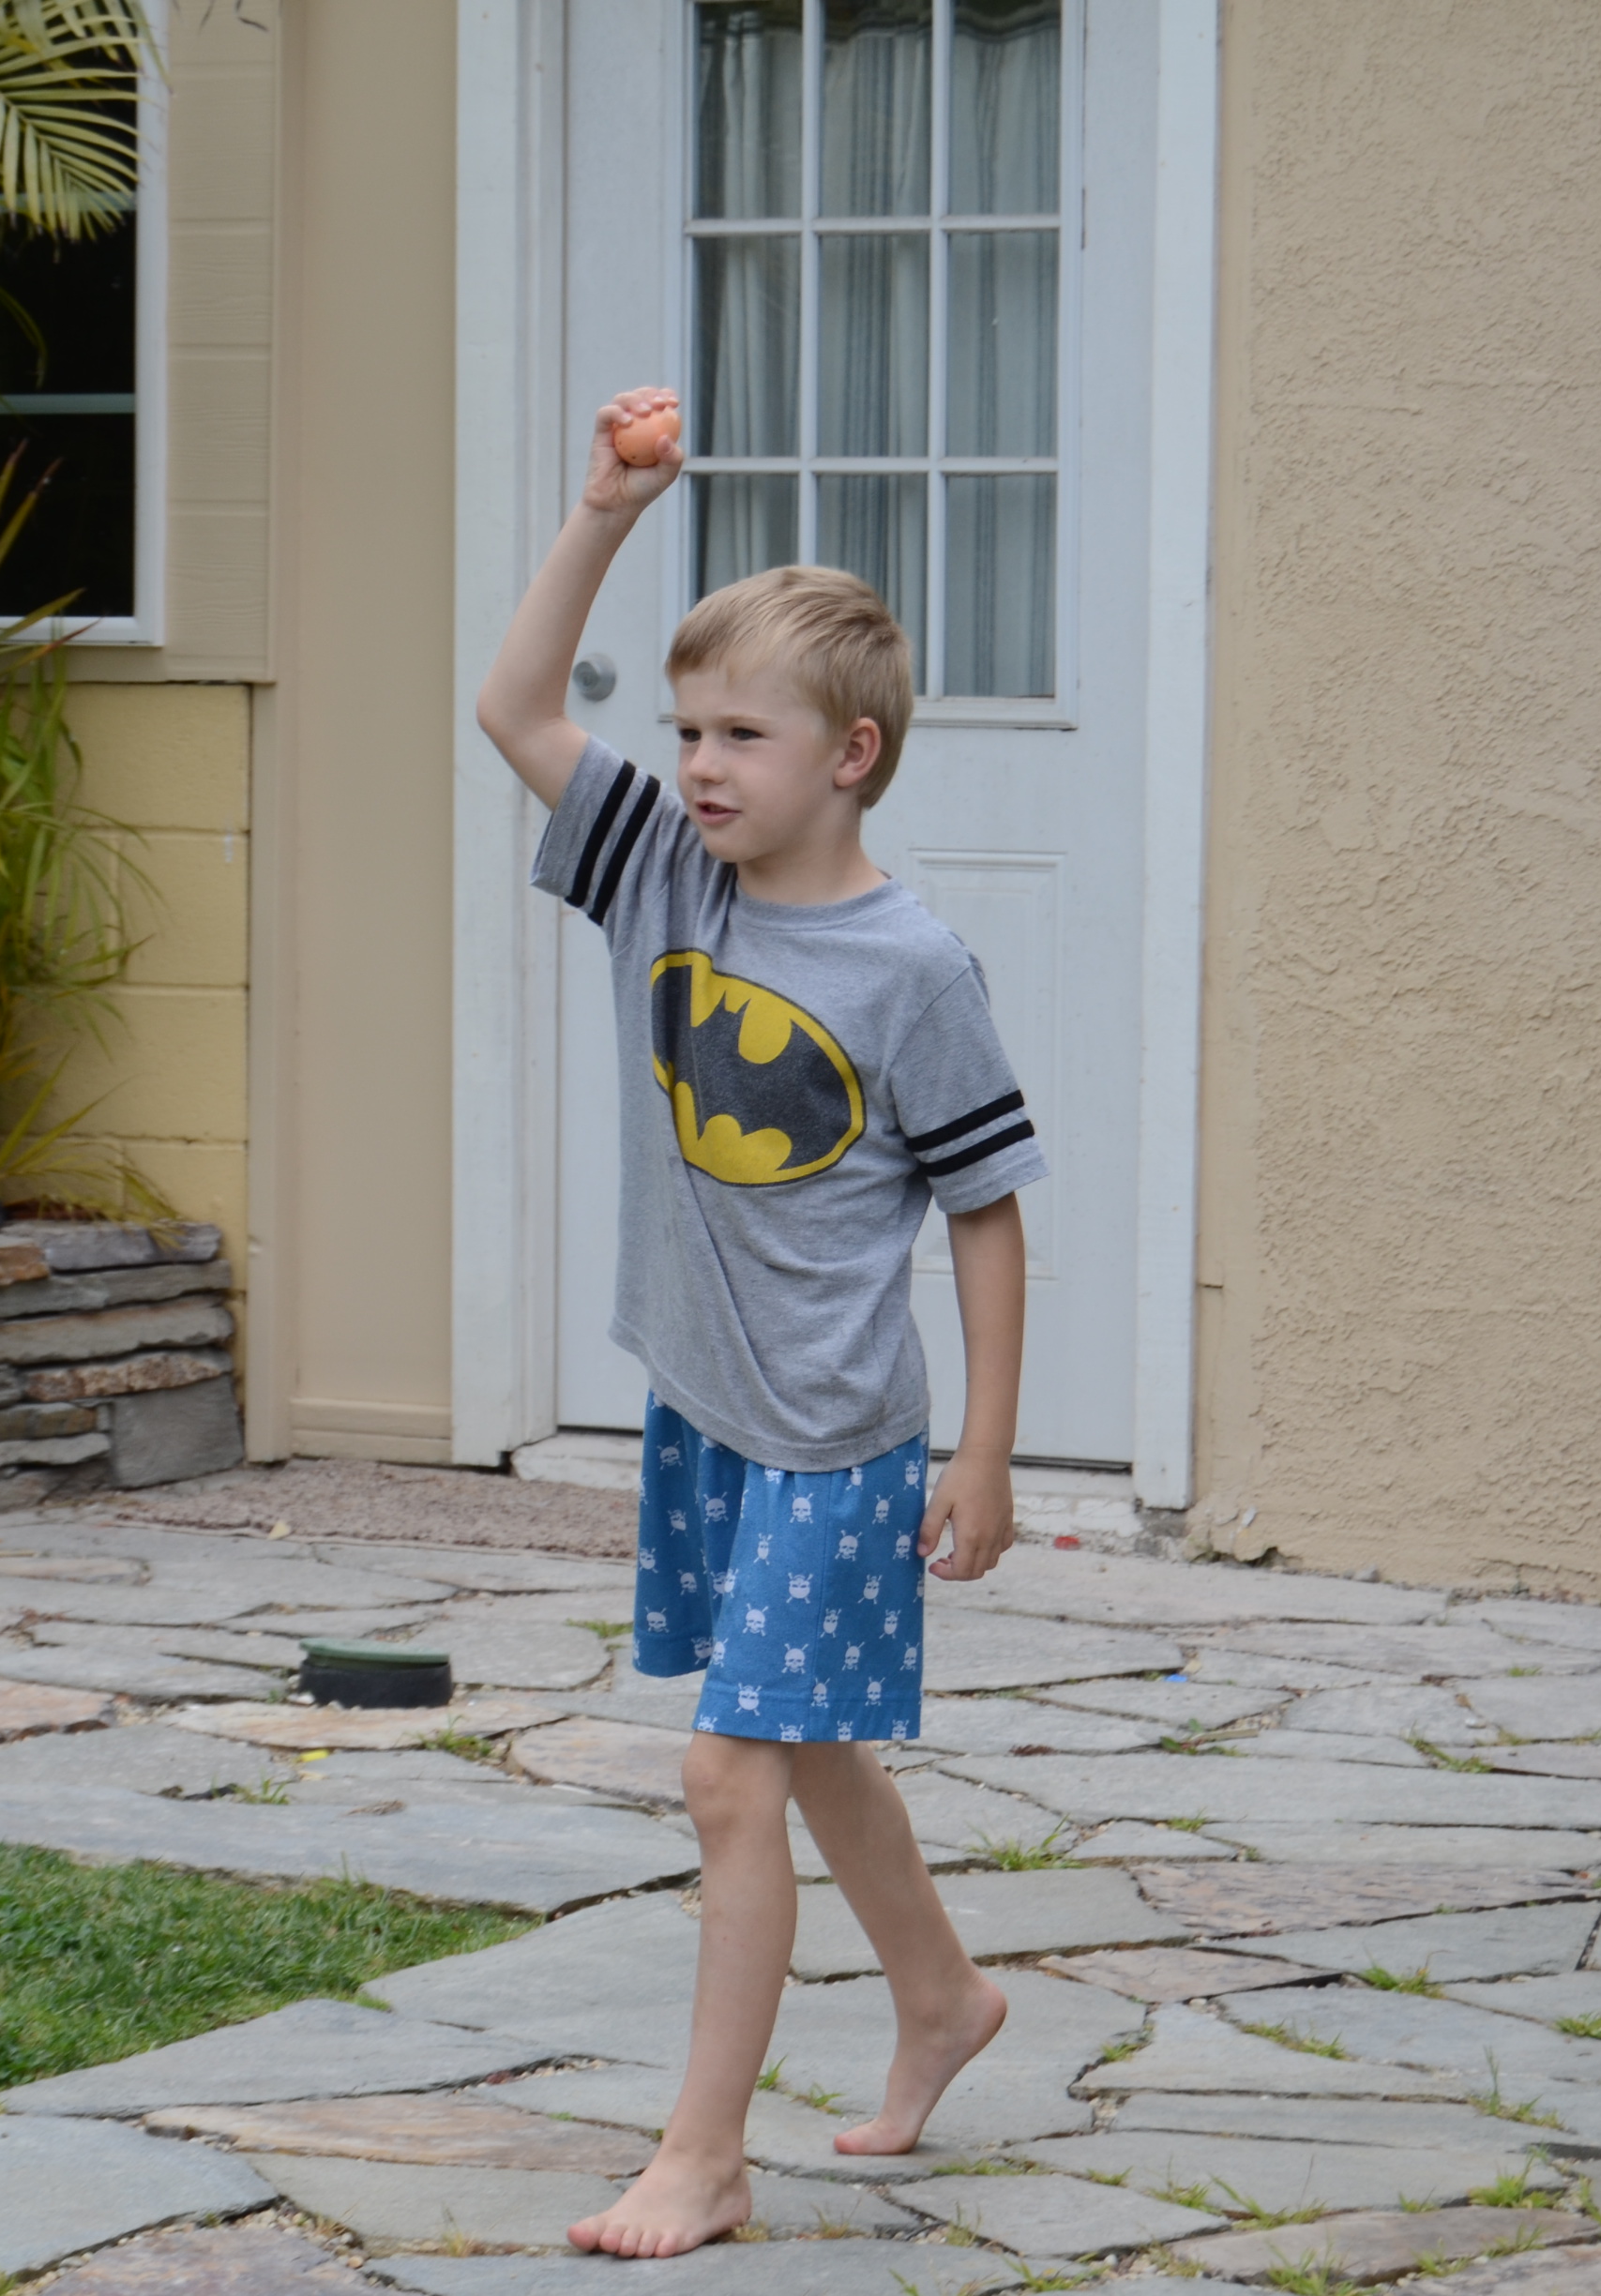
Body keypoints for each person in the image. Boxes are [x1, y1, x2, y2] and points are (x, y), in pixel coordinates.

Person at [476, 385, 1050, 2258]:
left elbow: (986, 1210)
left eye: (744, 735)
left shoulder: (912, 967)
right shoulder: (659, 868)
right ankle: (943, 1996)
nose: (702, 766)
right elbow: (516, 710)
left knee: (729, 1774)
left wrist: (982, 1451)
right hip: (706, 1406)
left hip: (834, 1434)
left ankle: (705, 2157)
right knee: (804, 1749)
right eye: (688, 731)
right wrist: (604, 514)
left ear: (853, 755)